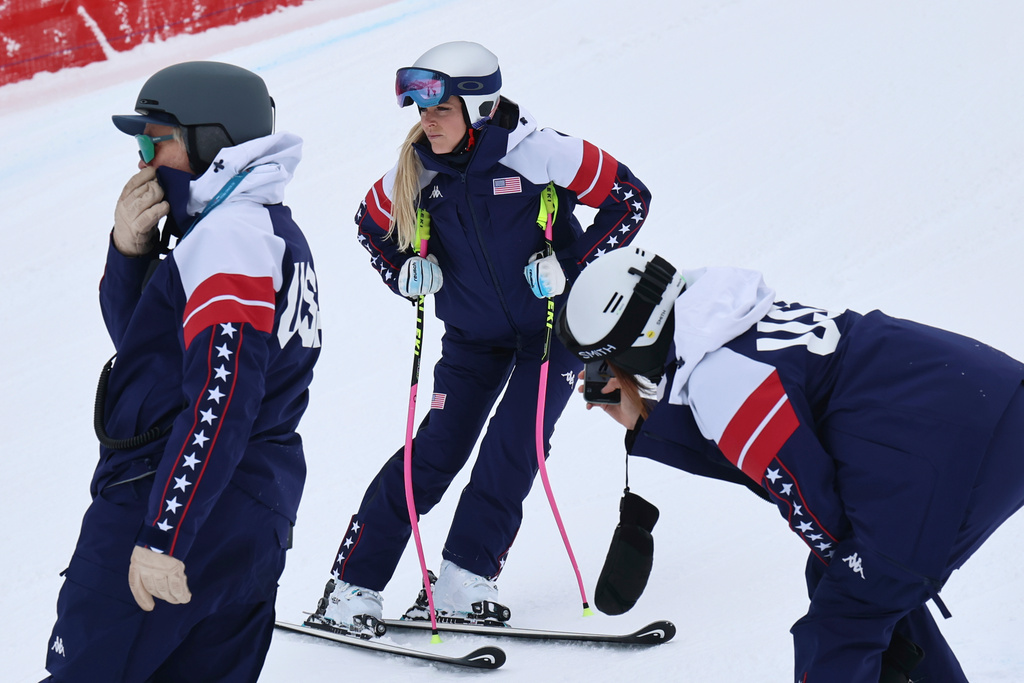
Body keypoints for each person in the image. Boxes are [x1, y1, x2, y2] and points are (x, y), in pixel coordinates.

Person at [306, 40, 651, 636]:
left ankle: (465, 576)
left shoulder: (540, 151)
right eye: (419, 108)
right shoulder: (415, 166)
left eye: (440, 109)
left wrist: (576, 269)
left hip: (551, 332)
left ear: (481, 107)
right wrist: (406, 268)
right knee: (436, 451)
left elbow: (630, 198)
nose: (425, 121)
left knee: (515, 445)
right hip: (470, 339)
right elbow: (369, 226)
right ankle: (351, 587)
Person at [555, 246, 1024, 683]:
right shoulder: (720, 321)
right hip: (978, 411)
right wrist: (646, 421)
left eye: (609, 366)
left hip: (956, 451)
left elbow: (816, 510)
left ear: (640, 347)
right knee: (844, 581)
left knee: (842, 620)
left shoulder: (722, 380)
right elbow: (775, 449)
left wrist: (864, 569)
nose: (609, 380)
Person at [43, 61, 321, 682]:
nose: (143, 159)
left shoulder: (231, 238)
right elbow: (146, 351)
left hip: (173, 496)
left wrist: (163, 533)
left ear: (209, 140)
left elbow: (220, 399)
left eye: (154, 138)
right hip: (247, 507)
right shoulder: (253, 228)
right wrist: (129, 252)